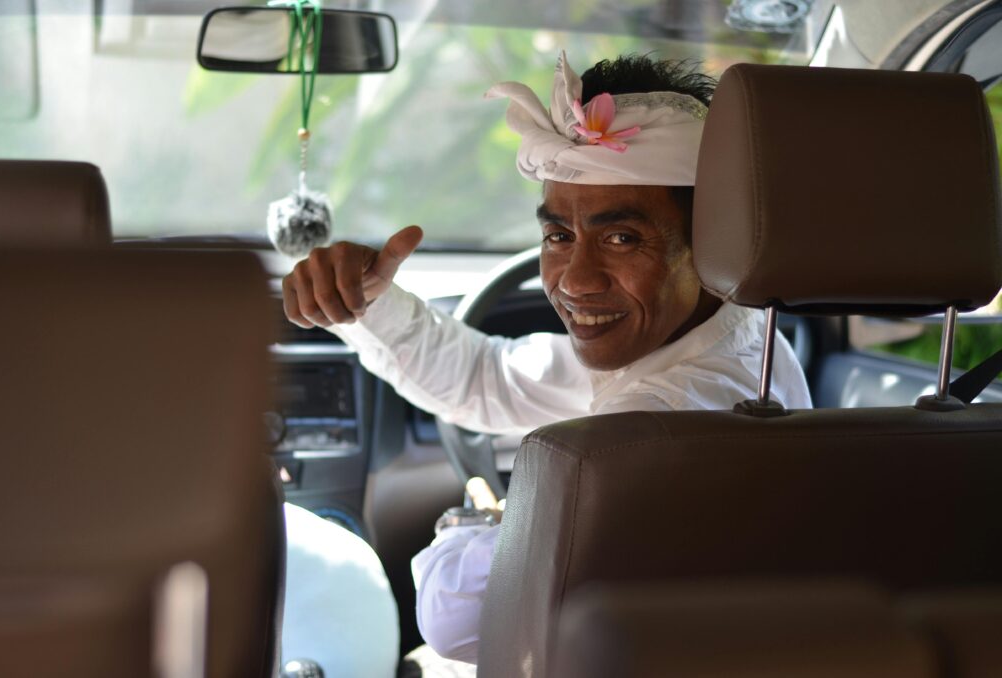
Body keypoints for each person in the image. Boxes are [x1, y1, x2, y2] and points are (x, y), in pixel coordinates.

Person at [281, 52, 812, 665]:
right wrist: (366, 304)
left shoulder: (643, 433)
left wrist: (468, 525)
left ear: (711, 244)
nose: (575, 281)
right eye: (559, 236)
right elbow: (490, 378)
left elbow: (459, 619)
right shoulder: (736, 337)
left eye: (622, 238)